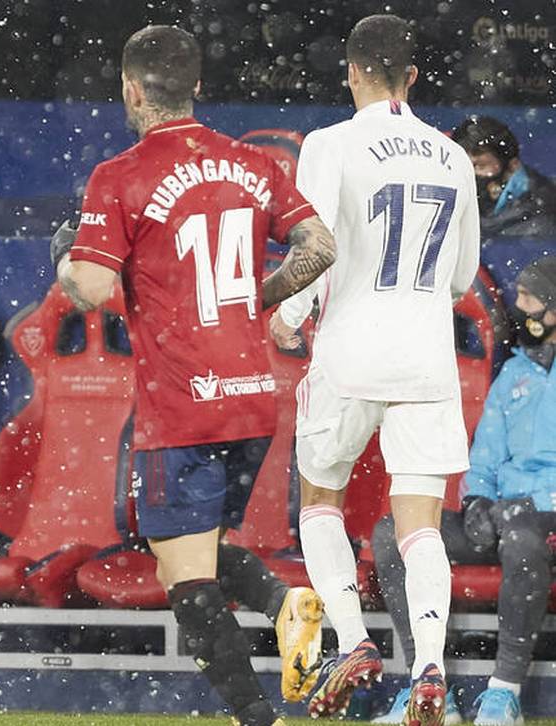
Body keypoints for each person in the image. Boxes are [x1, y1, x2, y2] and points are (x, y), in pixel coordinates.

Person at [52, 25, 337, 726]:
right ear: (196, 86)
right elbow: (319, 247)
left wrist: (62, 259)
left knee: (186, 583)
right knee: (198, 552)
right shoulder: (251, 163)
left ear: (131, 89)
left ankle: (258, 707)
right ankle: (281, 604)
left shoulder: (120, 175)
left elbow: (91, 288)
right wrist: (254, 299)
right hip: (250, 402)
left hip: (181, 405)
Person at [268, 15, 481, 725]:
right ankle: (429, 666)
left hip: (351, 352)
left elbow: (314, 248)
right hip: (427, 359)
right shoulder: (453, 156)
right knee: (420, 525)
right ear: (411, 76)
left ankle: (354, 641)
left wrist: (286, 313)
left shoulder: (328, 144)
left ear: (352, 70)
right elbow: (462, 276)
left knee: (320, 500)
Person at [370, 256, 556, 726]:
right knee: (394, 535)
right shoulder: (513, 374)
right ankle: (430, 687)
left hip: (542, 520)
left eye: (529, 299)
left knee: (522, 538)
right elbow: (487, 452)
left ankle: (504, 692)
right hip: (503, 513)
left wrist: (535, 504)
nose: (518, 308)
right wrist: (477, 501)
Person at [450, 116, 556, 240]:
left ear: (513, 165)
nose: (469, 174)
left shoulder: (541, 215)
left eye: (480, 166)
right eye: (464, 166)